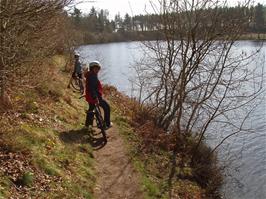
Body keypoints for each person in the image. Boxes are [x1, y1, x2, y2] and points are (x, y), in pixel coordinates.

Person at [84, 61, 112, 129]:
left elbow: (91, 87)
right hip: (94, 97)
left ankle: (87, 125)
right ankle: (107, 124)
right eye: (96, 68)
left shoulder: (90, 74)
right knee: (107, 107)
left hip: (90, 96)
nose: (97, 70)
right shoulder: (92, 76)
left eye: (98, 69)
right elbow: (92, 88)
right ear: (92, 68)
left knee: (91, 109)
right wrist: (95, 97)